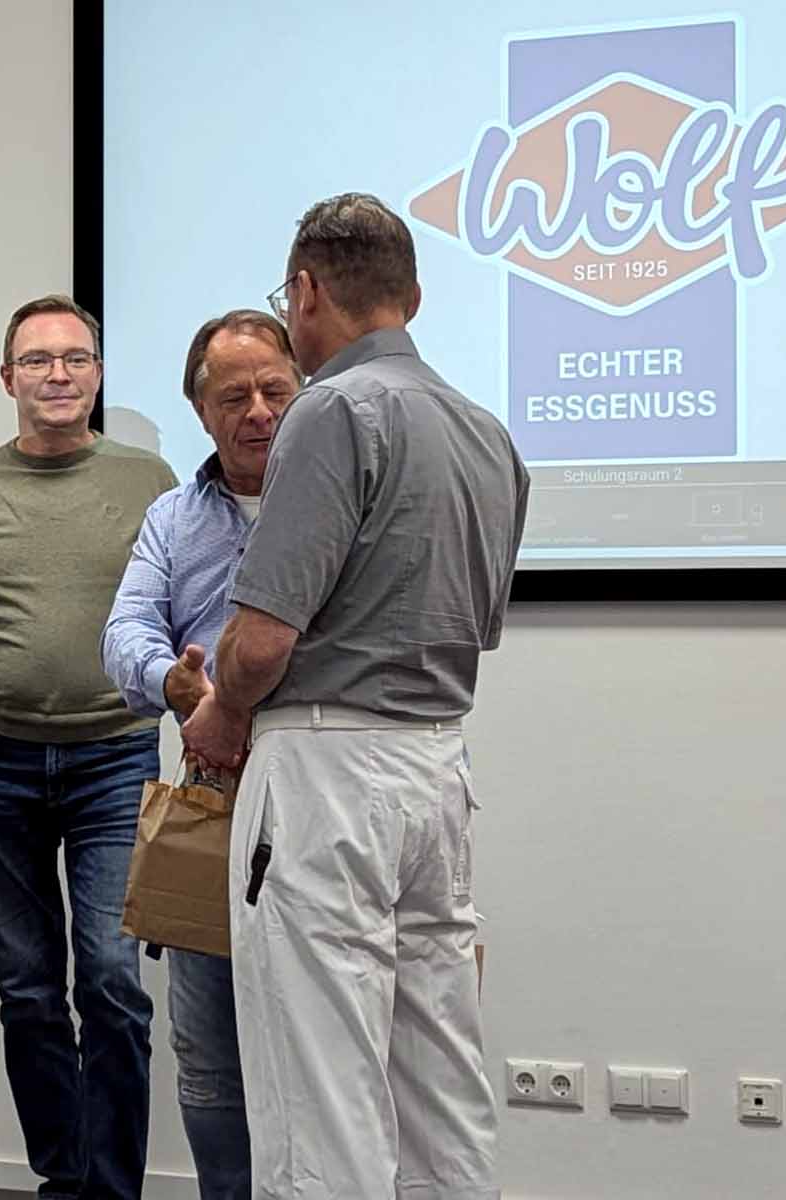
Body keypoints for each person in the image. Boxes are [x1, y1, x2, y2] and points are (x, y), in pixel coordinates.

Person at [183, 195, 530, 1200]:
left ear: (304, 292)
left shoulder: (331, 410)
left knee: (319, 1088)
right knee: (439, 1076)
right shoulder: (486, 432)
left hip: (326, 772)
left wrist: (222, 712)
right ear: (410, 296)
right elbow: (477, 623)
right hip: (437, 766)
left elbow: (263, 640)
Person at [0, 294, 177, 1199]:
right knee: (27, 990)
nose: (57, 375)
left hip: (114, 761)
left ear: (97, 374)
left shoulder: (149, 481)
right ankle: (64, 1179)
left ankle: (112, 1189)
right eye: (37, 360)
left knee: (111, 982)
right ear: (7, 379)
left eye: (74, 358)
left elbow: (185, 616)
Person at [100, 309, 301, 1200]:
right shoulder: (173, 518)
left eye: (274, 390)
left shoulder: (344, 496)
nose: (257, 411)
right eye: (233, 396)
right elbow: (123, 633)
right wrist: (173, 683)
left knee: (320, 1042)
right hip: (212, 798)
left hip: (319, 791)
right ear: (199, 410)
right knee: (210, 1054)